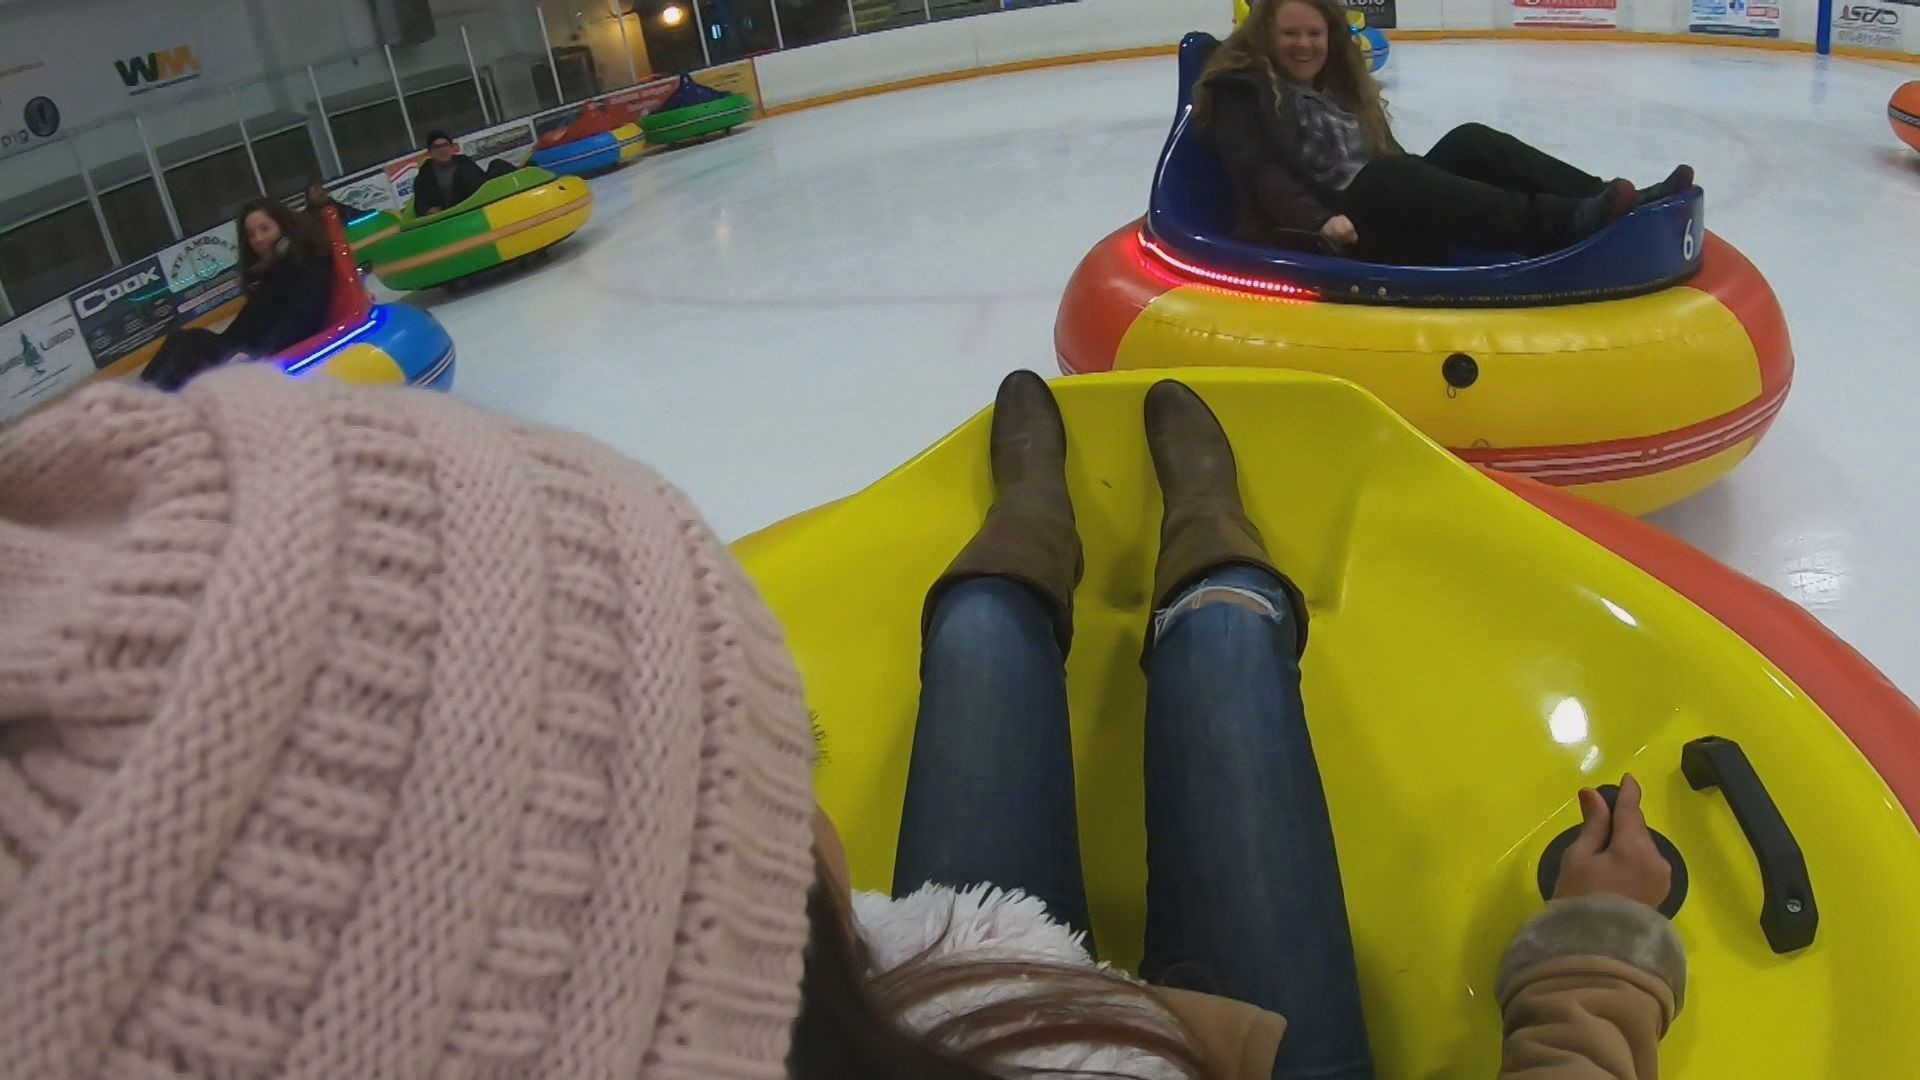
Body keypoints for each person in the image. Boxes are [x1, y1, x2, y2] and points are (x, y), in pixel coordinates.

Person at [0, 367, 1685, 1080]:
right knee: (1230, 667)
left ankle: (1018, 552)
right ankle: (1215, 568)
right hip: (1133, 1044)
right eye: (722, 825)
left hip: (937, 994)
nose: (810, 816)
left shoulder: (811, 970)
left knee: (966, 634)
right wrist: (1600, 963)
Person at [1195, 0, 1694, 263]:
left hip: (1380, 204)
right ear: (1265, 36)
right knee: (1388, 178)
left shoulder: (1332, 88)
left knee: (1467, 140)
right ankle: (1560, 223)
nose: (1304, 44)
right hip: (1333, 230)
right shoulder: (1247, 92)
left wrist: (1430, 186)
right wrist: (1319, 220)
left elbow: (1385, 155)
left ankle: (1605, 200)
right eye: (1290, 33)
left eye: (1313, 33)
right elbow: (1261, 171)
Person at [139, 197, 334, 392]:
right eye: (251, 235)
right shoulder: (275, 270)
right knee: (183, 338)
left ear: (283, 226)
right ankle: (141, 393)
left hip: (266, 352)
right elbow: (245, 327)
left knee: (189, 345)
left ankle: (152, 401)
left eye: (265, 229)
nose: (258, 239)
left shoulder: (307, 262)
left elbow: (299, 317)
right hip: (245, 348)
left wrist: (260, 357)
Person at [411, 130, 491, 217]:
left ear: (452, 147)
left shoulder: (465, 163)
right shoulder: (423, 177)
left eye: (445, 145)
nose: (442, 150)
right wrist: (428, 211)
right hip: (449, 218)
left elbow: (484, 184)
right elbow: (420, 207)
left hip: (476, 210)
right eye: (437, 147)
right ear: (430, 152)